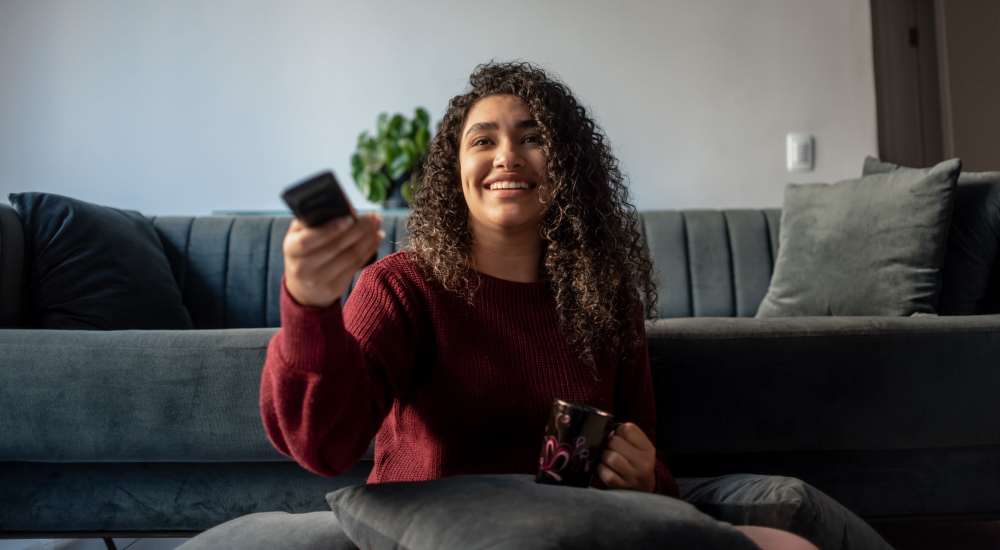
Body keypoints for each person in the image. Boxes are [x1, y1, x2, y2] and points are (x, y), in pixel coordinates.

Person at [259, 61, 834, 550]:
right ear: (453, 172)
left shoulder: (603, 294)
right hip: (437, 533)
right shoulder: (401, 287)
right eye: (483, 140)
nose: (508, 156)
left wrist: (642, 476)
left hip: (574, 530)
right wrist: (309, 306)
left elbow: (647, 455)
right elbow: (322, 447)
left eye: (533, 137)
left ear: (569, 166)